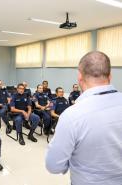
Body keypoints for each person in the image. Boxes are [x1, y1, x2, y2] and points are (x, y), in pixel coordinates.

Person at [45, 51, 122, 185]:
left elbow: (54, 165)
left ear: (79, 77)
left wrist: (74, 160)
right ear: (110, 76)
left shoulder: (71, 116)